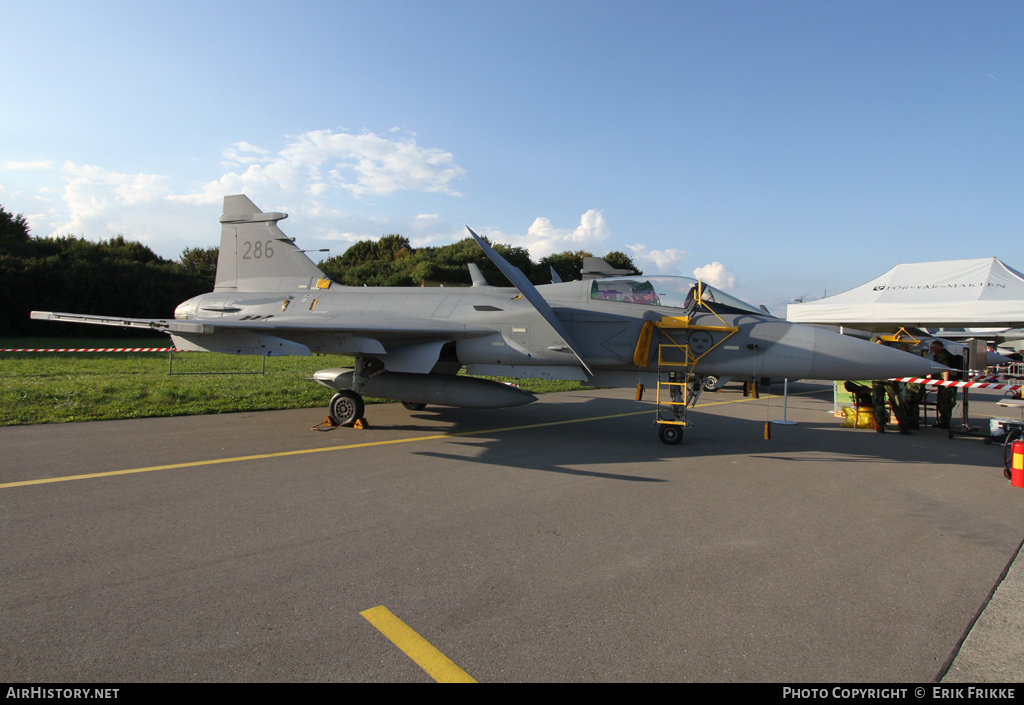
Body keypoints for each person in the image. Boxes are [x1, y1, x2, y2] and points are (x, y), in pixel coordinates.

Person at [870, 338, 912, 434]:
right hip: (886, 380)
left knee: (887, 403)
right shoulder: (888, 352)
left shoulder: (872, 353)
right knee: (890, 404)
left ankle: (883, 426)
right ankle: (897, 427)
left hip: (883, 380)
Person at [928, 340, 957, 429]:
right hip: (944, 383)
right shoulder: (945, 354)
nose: (932, 350)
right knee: (943, 402)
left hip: (946, 384)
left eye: (933, 348)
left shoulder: (942, 355)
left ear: (937, 347)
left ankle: (945, 422)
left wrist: (946, 381)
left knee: (945, 403)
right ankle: (944, 421)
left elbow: (945, 368)